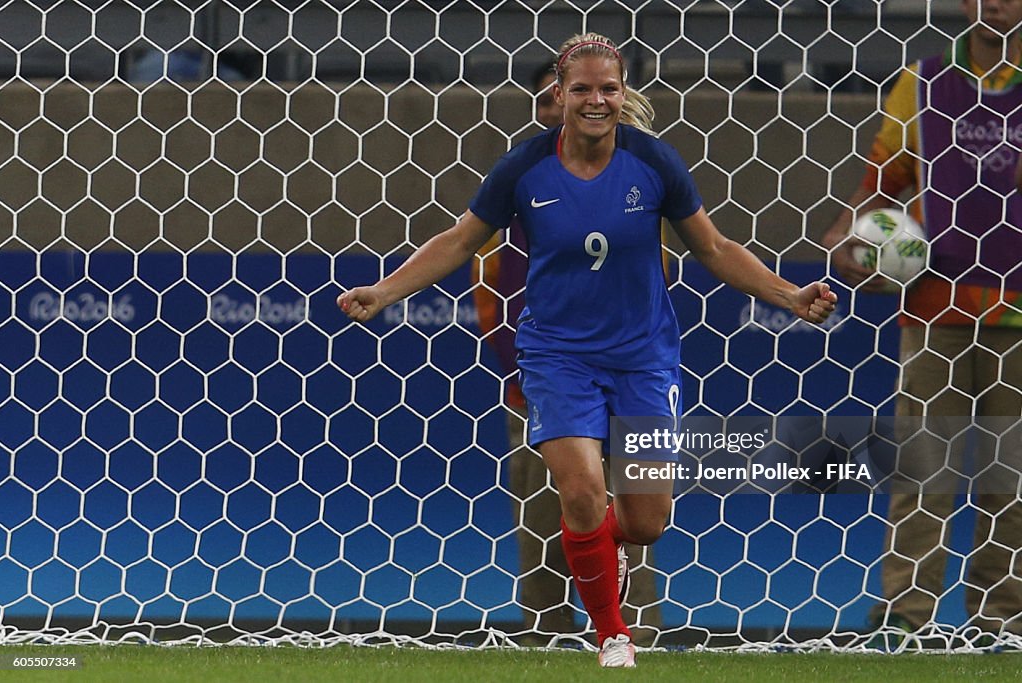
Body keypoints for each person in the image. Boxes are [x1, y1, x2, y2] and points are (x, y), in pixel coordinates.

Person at [340, 32, 836, 667]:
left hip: (642, 359)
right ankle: (613, 636)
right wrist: (382, 292)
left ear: (623, 92)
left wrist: (789, 294)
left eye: (608, 88)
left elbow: (712, 249)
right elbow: (460, 240)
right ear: (559, 94)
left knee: (648, 522)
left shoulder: (655, 163)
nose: (595, 100)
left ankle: (609, 557)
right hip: (555, 356)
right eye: (582, 89)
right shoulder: (524, 167)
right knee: (578, 493)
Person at [822, 0, 1022, 649]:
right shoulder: (924, 80)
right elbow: (884, 182)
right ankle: (904, 613)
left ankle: (1004, 618)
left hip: (1019, 311)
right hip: (935, 307)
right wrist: (849, 233)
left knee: (1012, 472)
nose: (996, 1)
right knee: (923, 468)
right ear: (965, 2)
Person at [471, 61, 662, 647]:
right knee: (542, 517)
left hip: (623, 374)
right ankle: (544, 636)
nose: (563, 107)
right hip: (543, 382)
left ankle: (637, 633)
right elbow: (490, 292)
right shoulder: (521, 184)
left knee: (637, 519)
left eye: (588, 93)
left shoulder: (639, 177)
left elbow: (661, 275)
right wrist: (528, 372)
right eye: (555, 97)